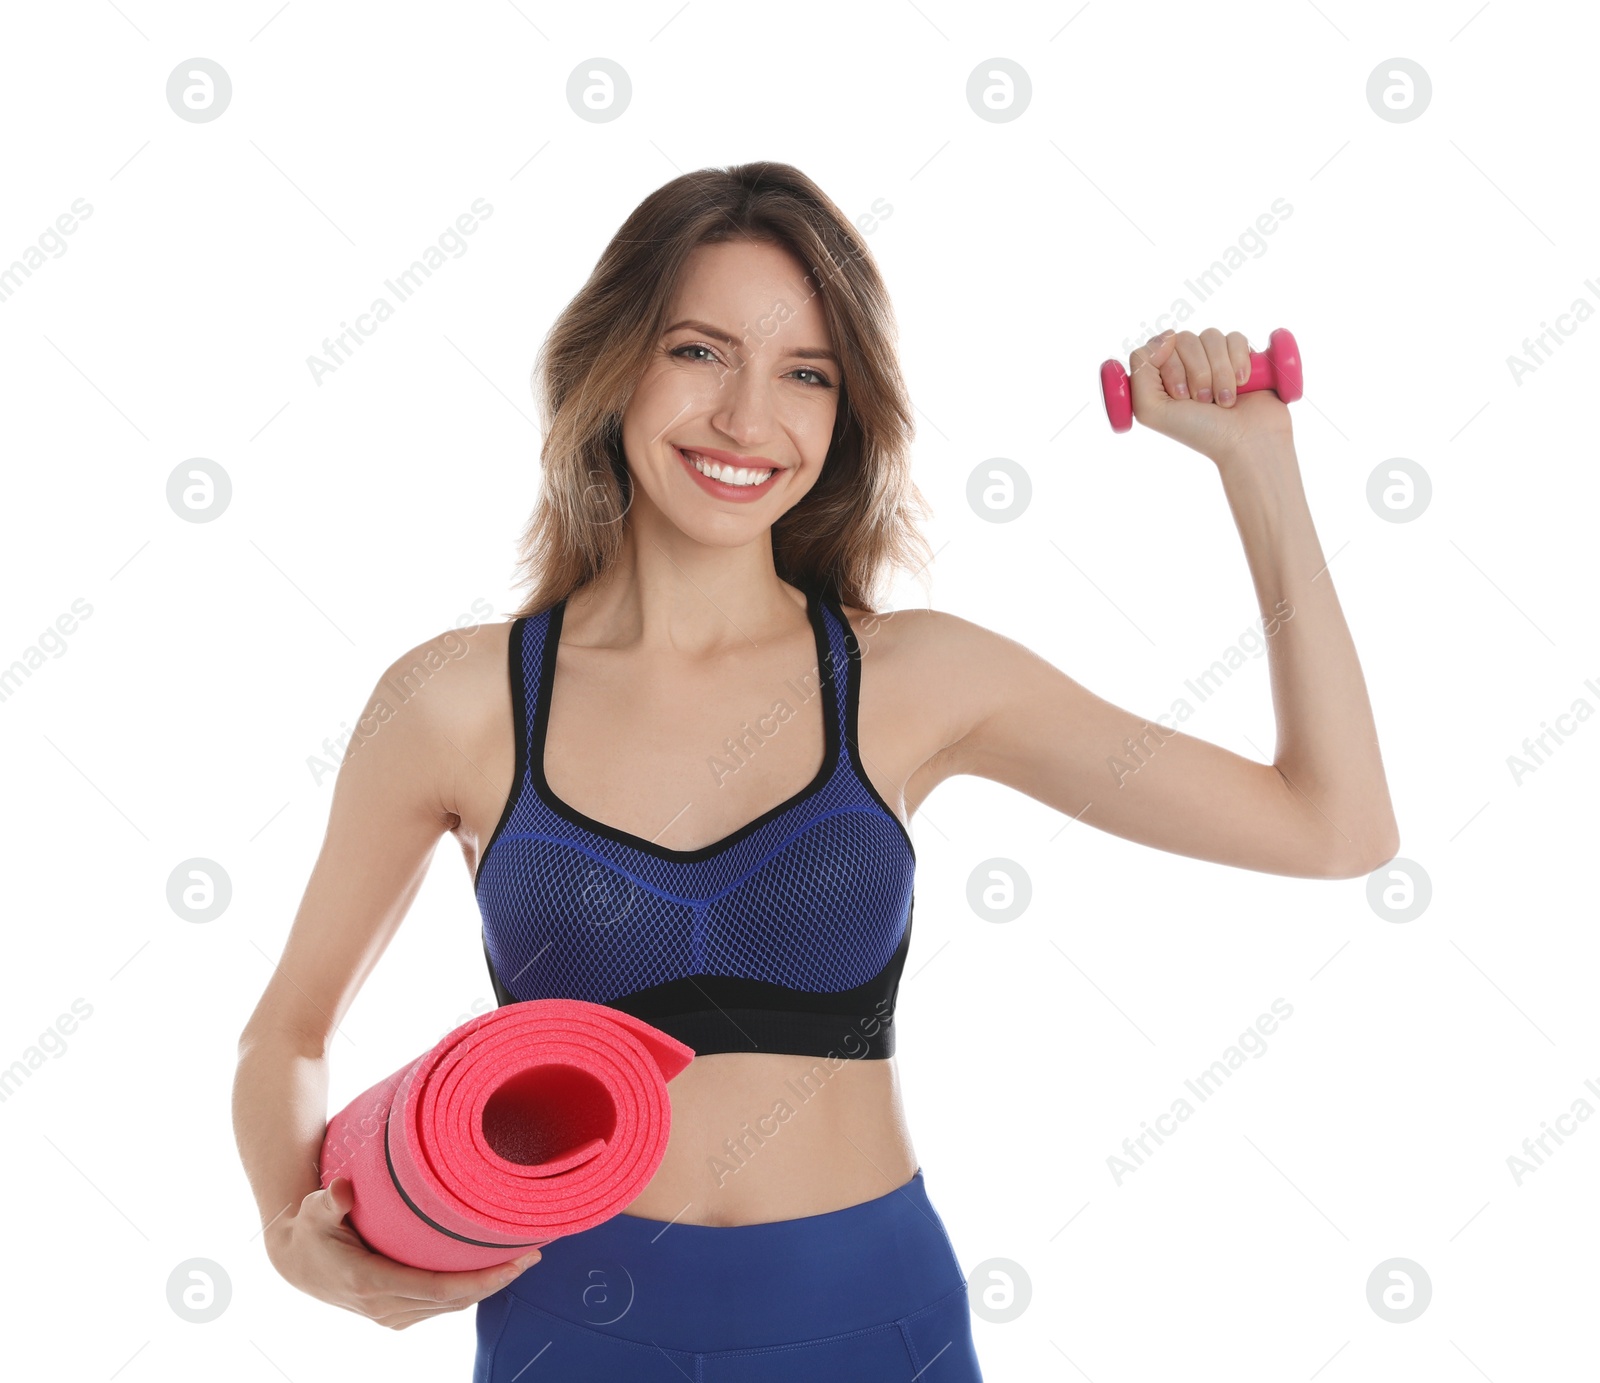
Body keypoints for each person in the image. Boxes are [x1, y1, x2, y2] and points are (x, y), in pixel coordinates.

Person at [233, 161, 1399, 1380]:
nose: (748, 418)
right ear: (611, 364)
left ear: (846, 415)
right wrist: (287, 1232)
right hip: (572, 1330)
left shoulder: (917, 680)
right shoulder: (455, 701)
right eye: (698, 351)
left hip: (871, 1321)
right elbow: (287, 1033)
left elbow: (1334, 828)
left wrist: (1257, 465)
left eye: (805, 374)